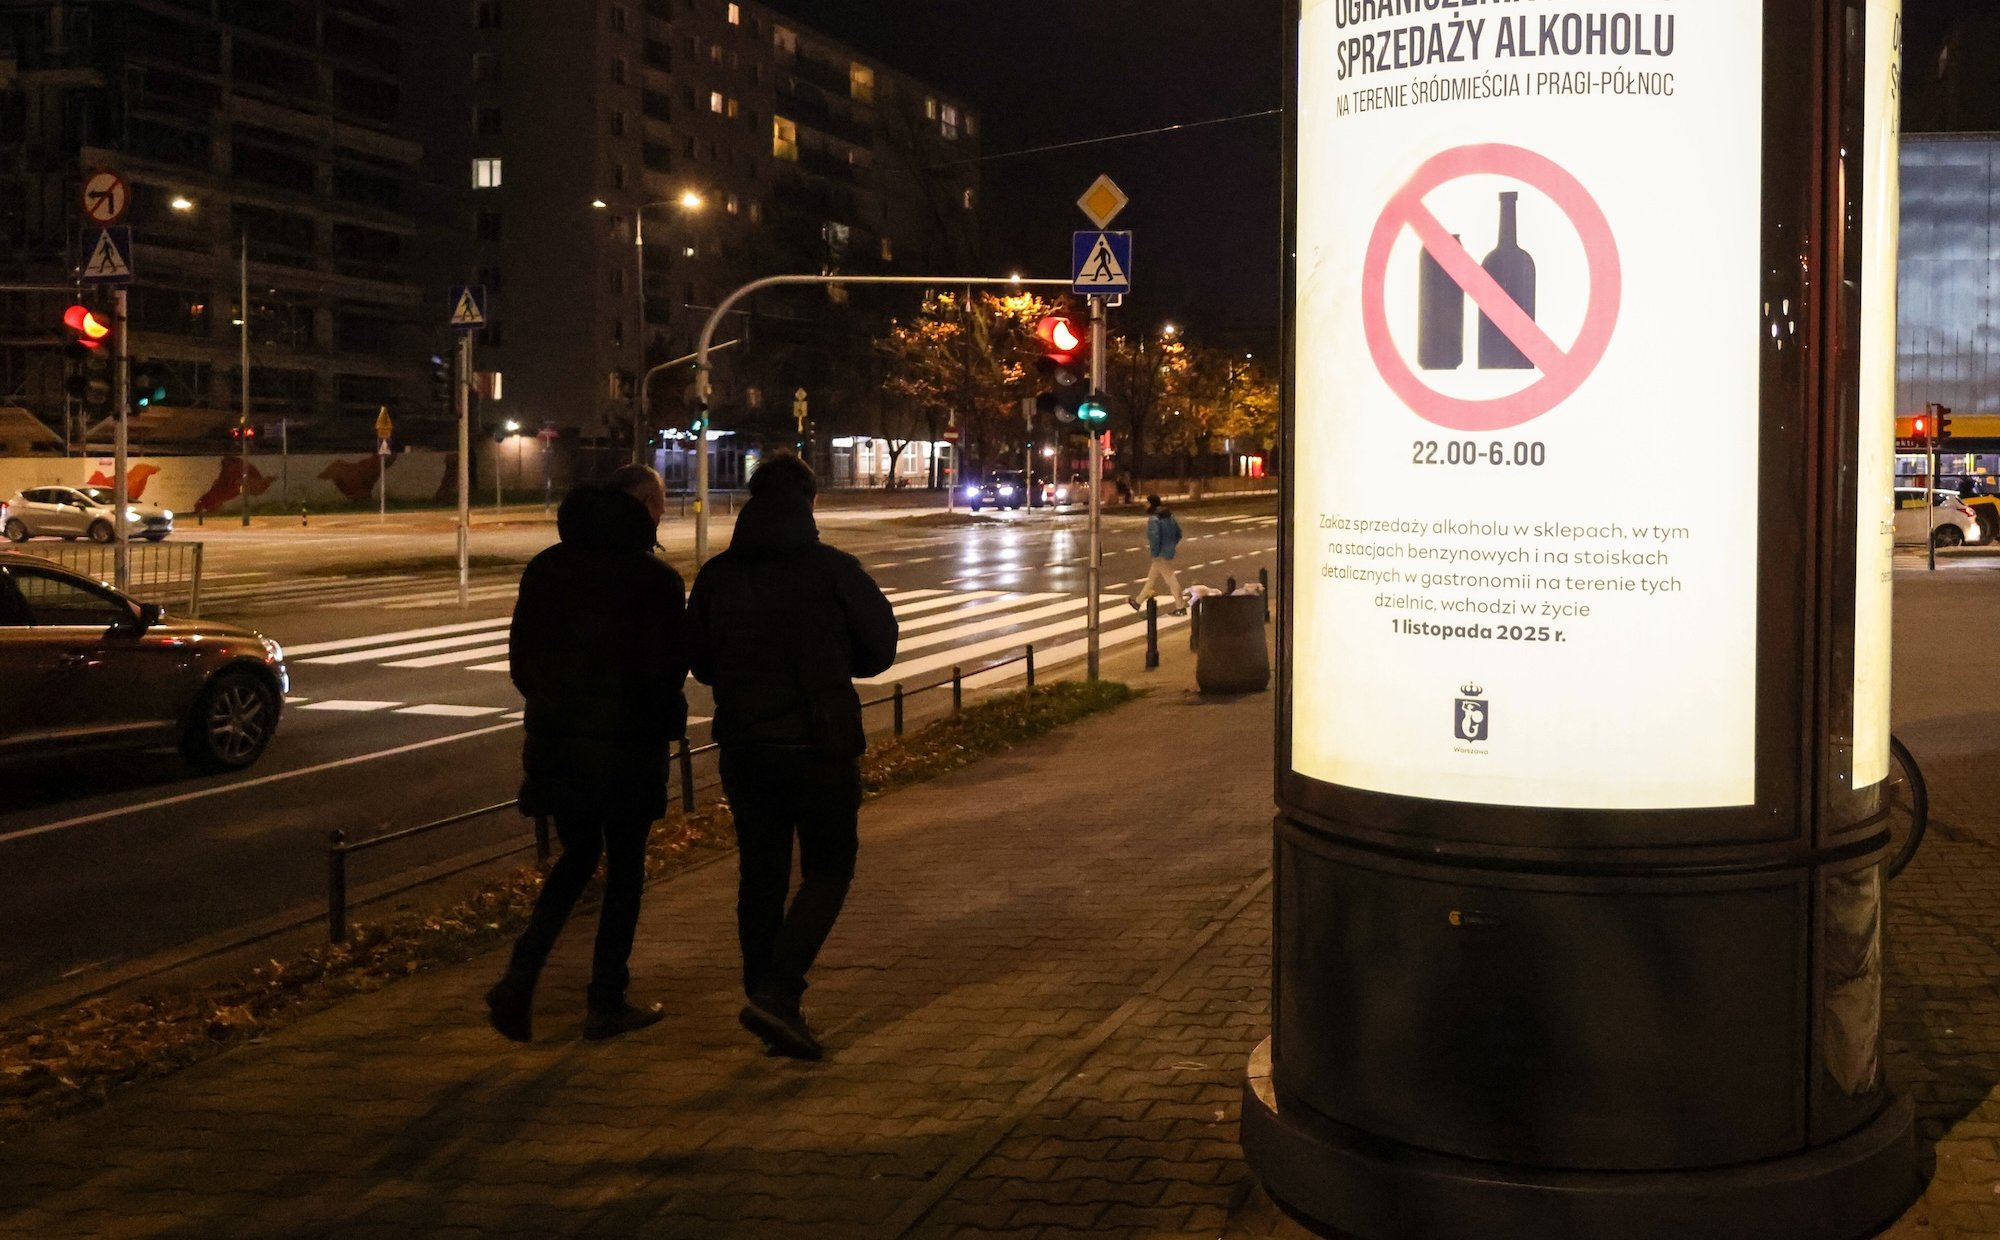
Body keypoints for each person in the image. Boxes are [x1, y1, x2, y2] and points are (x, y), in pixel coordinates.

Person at [685, 452, 897, 1061]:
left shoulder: (718, 575)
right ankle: (778, 993)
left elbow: (701, 661)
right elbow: (879, 648)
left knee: (761, 874)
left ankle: (765, 998)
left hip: (747, 745)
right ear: (811, 501)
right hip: (819, 742)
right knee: (828, 869)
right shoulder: (833, 570)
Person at [485, 463, 687, 1043]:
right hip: (629, 747)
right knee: (624, 869)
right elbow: (667, 669)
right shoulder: (653, 579)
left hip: (559, 743)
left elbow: (523, 661)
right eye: (661, 503)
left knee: (576, 856)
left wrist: (557, 705)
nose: (663, 514)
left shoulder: (548, 568)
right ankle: (606, 1000)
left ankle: (520, 978)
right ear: (644, 503)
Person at [1129, 494, 1187, 615]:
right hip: (1167, 551)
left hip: (1160, 554)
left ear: (1152, 504)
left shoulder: (1154, 519)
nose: (1145, 505)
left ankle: (1181, 606)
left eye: (1147, 503)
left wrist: (1155, 553)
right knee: (1151, 579)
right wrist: (1170, 546)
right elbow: (1179, 533)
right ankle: (1138, 602)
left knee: (1171, 579)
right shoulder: (1169, 516)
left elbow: (1154, 538)